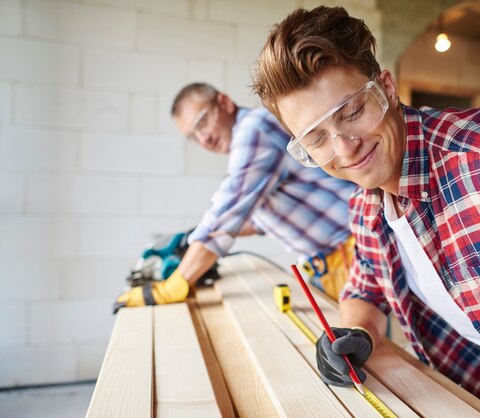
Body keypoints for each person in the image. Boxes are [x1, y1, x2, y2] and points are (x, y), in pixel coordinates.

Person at [251, 6, 480, 417]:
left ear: (387, 89)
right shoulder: (367, 203)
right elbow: (367, 289)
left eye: (352, 112)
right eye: (316, 137)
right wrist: (357, 333)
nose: (344, 148)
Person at [114, 82, 357, 312]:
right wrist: (191, 237)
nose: (203, 139)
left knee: (366, 351)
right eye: (193, 136)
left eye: (202, 123)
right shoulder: (251, 144)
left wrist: (173, 286)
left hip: (350, 254)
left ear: (225, 103)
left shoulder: (254, 129)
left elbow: (226, 213)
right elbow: (257, 219)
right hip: (327, 265)